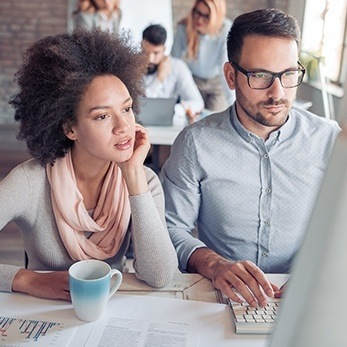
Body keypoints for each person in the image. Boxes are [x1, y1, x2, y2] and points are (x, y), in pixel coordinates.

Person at [161, 8, 341, 307]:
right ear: (231, 76)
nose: (277, 92)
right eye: (260, 75)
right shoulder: (195, 143)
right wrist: (214, 264)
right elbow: (169, 227)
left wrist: (319, 270)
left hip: (303, 299)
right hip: (220, 298)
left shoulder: (328, 140)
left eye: (288, 75)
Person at [0, 29, 178, 300]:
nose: (124, 127)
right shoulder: (29, 181)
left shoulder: (144, 180)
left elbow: (161, 276)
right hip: (42, 318)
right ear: (70, 129)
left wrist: (133, 176)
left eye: (127, 109)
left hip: (112, 314)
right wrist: (25, 279)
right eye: (102, 116)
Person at [171, 0, 235, 112]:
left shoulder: (225, 29)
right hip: (193, 81)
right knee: (192, 117)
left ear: (216, 17)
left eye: (206, 16)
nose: (199, 19)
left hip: (216, 84)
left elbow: (224, 67)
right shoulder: (183, 27)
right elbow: (174, 62)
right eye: (197, 13)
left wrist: (234, 105)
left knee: (215, 117)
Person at [142, 24, 204, 123]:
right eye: (146, 52)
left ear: (164, 49)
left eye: (156, 53)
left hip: (170, 125)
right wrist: (159, 79)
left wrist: (174, 110)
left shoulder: (178, 67)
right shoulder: (132, 66)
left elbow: (198, 103)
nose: (150, 59)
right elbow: (141, 106)